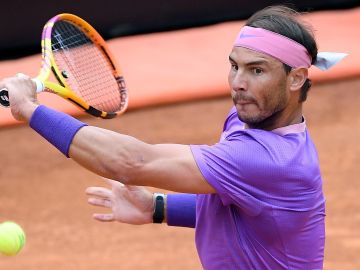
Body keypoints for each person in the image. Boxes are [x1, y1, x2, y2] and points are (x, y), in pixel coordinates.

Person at [0, 5, 347, 270]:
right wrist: (157, 207)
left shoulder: (268, 160)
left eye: (257, 70)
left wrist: (30, 110)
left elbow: (131, 162)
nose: (238, 82)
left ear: (296, 78)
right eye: (235, 66)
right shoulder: (254, 121)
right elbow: (239, 207)